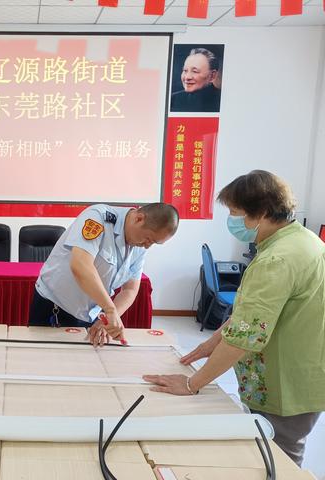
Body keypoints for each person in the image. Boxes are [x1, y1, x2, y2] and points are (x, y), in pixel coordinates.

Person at [144, 170, 325, 467]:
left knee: (279, 458)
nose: (233, 221)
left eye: (236, 213)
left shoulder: (276, 260)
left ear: (262, 212)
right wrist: (210, 344)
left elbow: (247, 335)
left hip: (285, 381)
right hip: (305, 372)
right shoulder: (304, 241)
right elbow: (254, 315)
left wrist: (192, 384)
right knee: (273, 449)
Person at [29, 203, 179, 346]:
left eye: (154, 243)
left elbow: (130, 290)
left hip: (89, 313)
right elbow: (80, 265)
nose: (147, 245)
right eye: (148, 239)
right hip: (54, 306)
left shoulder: (139, 247)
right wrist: (110, 309)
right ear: (138, 218)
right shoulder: (98, 218)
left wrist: (109, 317)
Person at [170, 47, 222, 113]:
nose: (187, 77)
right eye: (185, 70)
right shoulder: (173, 99)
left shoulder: (221, 100)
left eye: (195, 71)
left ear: (212, 76)